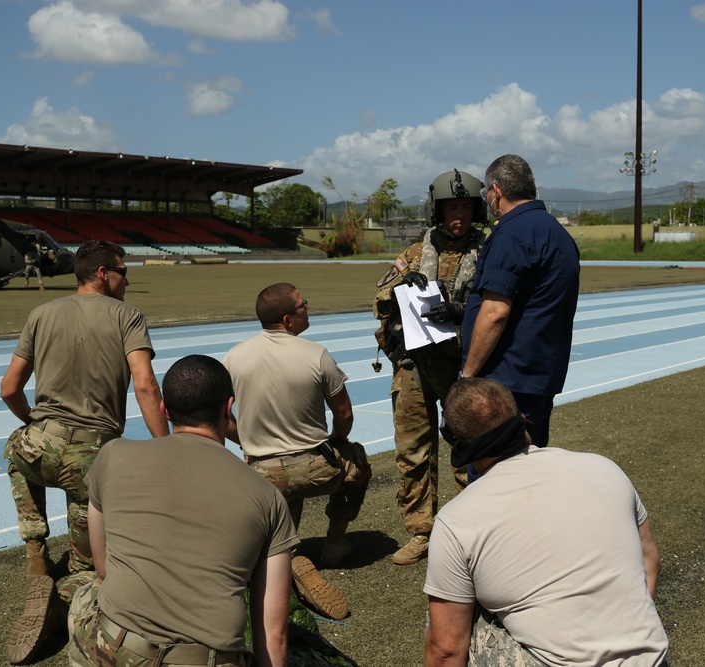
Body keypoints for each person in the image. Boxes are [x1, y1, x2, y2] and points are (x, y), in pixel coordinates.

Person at [0, 239, 169, 665]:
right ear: (102, 274)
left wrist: (32, 423)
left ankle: (36, 552)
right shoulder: (127, 316)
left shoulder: (42, 313)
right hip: (90, 458)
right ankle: (63, 598)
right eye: (124, 272)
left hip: (38, 447)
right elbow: (146, 385)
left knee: (15, 454)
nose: (127, 280)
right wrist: (168, 447)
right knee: (88, 561)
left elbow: (9, 389)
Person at [68, 355, 298, 667]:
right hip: (205, 660)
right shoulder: (268, 497)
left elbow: (104, 569)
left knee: (86, 594)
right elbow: (273, 637)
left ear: (165, 410)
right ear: (228, 407)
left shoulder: (113, 455)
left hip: (116, 648)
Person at [423, 377, 669, 667]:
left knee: (448, 607)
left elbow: (445, 651)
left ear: (455, 442)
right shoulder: (604, 467)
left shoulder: (456, 521)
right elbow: (649, 561)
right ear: (522, 419)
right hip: (651, 659)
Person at [223, 282, 371, 619]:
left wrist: (247, 443)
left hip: (262, 474)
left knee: (281, 493)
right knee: (358, 461)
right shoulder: (315, 353)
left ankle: (283, 557)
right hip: (317, 471)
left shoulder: (234, 357)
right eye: (303, 305)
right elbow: (344, 413)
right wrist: (336, 441)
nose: (309, 308)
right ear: (288, 320)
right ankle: (334, 543)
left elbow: (221, 417)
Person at [372, 169, 486, 566]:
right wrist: (403, 286)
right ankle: (422, 532)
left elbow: (499, 304)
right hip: (414, 365)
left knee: (467, 446)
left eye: (466, 206)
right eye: (452, 206)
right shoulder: (416, 253)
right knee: (413, 452)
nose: (460, 214)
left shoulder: (487, 251)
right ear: (438, 210)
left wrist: (461, 310)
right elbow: (380, 295)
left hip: (462, 365)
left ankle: (475, 530)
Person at [461, 154, 580, 468]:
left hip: (506, 382)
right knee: (529, 472)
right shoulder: (558, 233)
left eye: (487, 193)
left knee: (495, 477)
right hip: (539, 376)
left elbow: (495, 311)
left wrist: (468, 375)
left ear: (496, 192)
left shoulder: (513, 233)